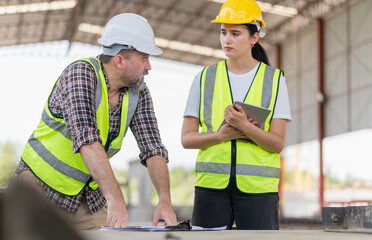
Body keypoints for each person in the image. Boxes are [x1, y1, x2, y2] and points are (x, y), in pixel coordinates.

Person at [16, 13, 177, 230]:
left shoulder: (139, 92)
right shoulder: (80, 74)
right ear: (120, 60)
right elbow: (86, 138)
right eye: (144, 58)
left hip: (86, 195)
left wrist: (165, 200)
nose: (149, 66)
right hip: (40, 187)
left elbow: (153, 147)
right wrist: (116, 197)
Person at [181, 0, 291, 230]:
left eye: (235, 33)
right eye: (223, 32)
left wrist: (246, 127)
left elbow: (277, 144)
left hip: (259, 191)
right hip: (210, 188)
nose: (226, 40)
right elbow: (187, 138)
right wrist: (220, 136)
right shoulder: (204, 78)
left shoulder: (275, 80)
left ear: (254, 38)